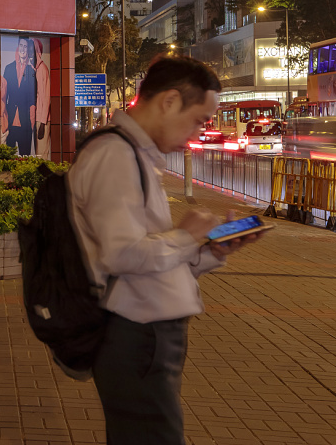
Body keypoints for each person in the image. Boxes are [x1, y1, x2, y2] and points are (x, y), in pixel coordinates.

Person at [68, 56, 264, 444]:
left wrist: (211, 251)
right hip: (137, 334)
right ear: (170, 101)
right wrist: (187, 236)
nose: (198, 131)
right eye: (198, 120)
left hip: (149, 334)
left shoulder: (134, 155)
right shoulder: (115, 156)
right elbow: (122, 255)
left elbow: (147, 256)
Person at [1, 38, 36, 155]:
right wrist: (4, 119)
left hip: (25, 121)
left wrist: (32, 122)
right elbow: (3, 95)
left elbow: (32, 98)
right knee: (8, 157)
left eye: (25, 46)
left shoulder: (31, 70)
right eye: (21, 45)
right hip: (10, 120)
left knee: (25, 157)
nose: (22, 49)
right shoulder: (8, 68)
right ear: (18, 47)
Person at [33, 39, 51, 158]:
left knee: (42, 154)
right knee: (37, 154)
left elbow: (46, 97)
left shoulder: (42, 69)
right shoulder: (33, 69)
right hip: (35, 118)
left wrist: (43, 123)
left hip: (41, 120)